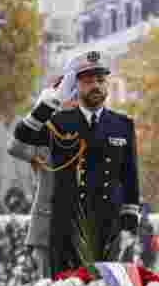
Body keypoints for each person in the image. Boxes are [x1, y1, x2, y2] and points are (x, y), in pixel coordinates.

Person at [13, 51, 140, 273]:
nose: (96, 86)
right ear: (77, 85)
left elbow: (130, 178)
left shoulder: (122, 124)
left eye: (100, 81)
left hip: (108, 226)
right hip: (66, 225)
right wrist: (47, 104)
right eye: (88, 81)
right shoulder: (59, 121)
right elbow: (23, 136)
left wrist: (129, 227)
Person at [7, 74, 78, 279]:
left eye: (75, 94)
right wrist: (43, 110)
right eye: (66, 94)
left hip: (86, 222)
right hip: (48, 223)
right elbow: (15, 147)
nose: (72, 100)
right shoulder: (43, 134)